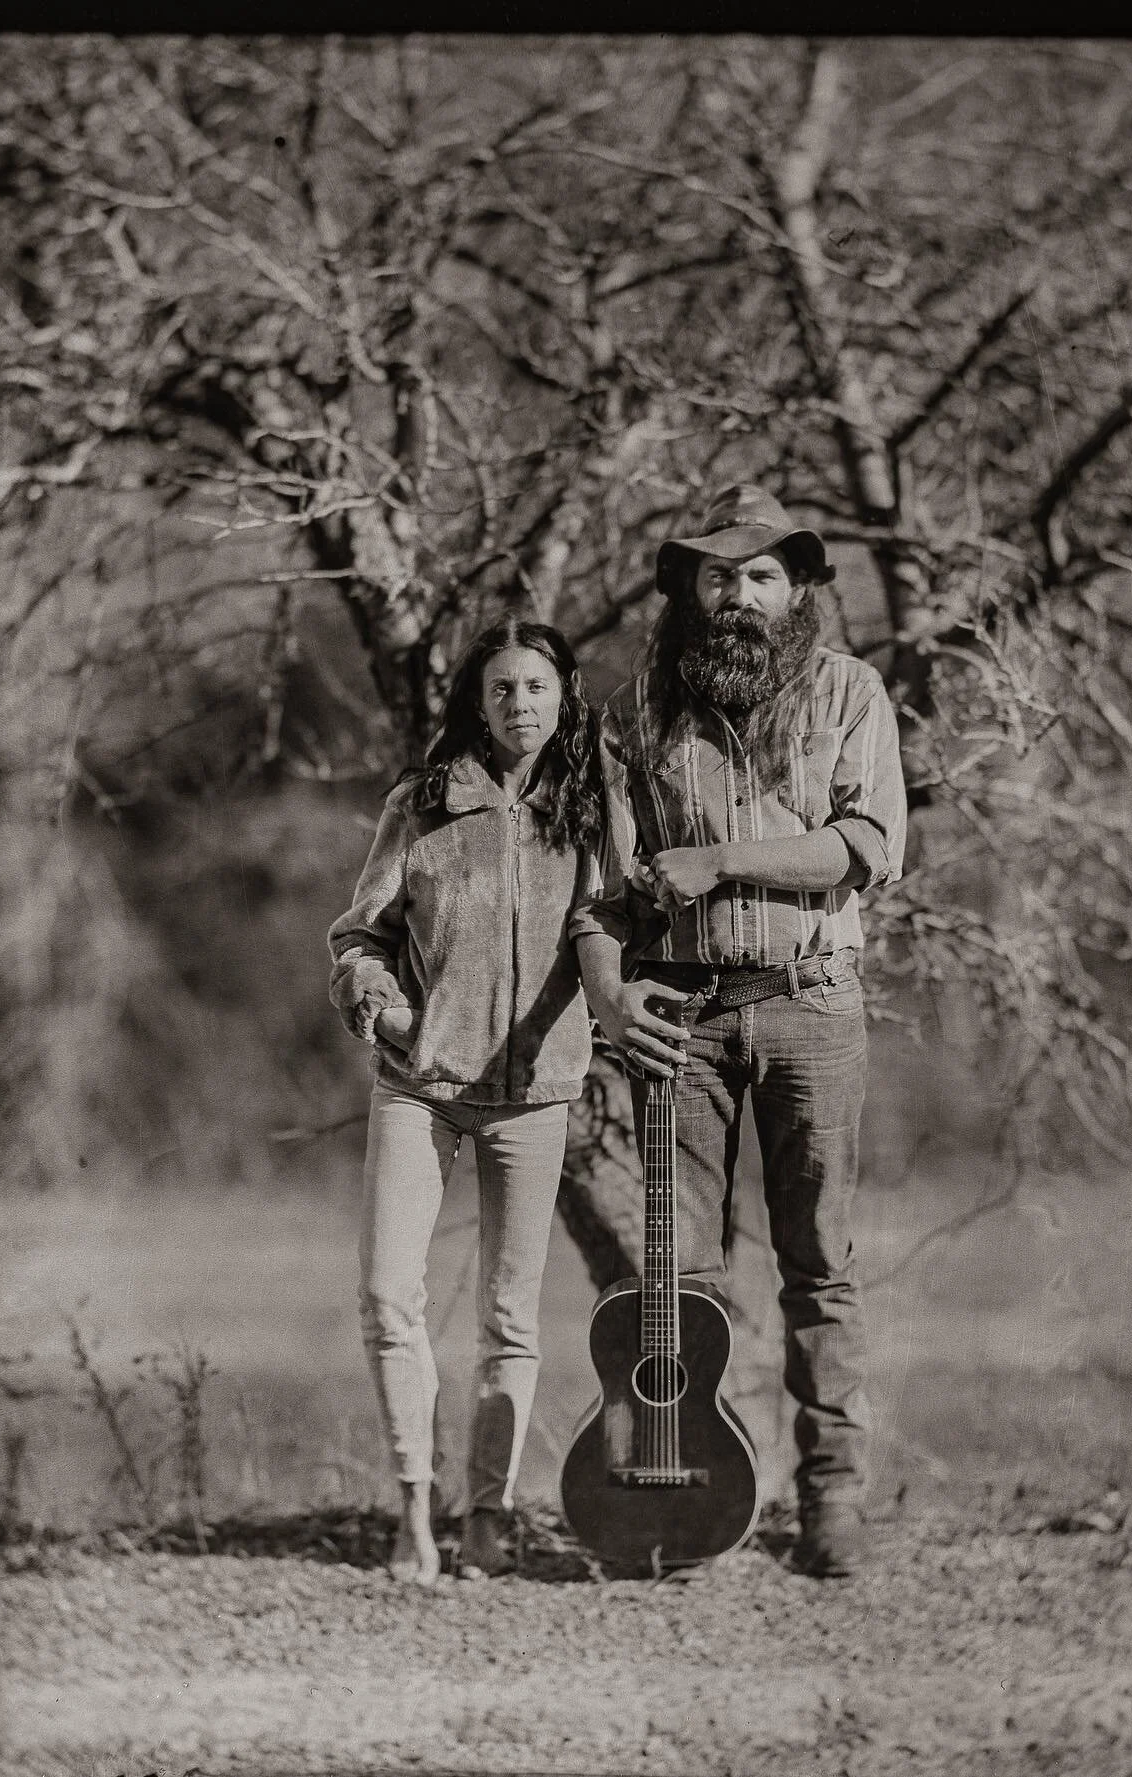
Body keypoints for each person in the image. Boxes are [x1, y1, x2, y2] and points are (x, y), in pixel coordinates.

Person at [569, 483, 907, 1578]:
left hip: (814, 1001)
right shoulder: (634, 716)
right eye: (717, 575)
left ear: (798, 590)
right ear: (686, 592)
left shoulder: (852, 691)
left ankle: (833, 1506)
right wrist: (614, 999)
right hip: (683, 1016)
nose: (737, 595)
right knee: (683, 1279)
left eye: (761, 575)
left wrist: (721, 862)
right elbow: (600, 898)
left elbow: (864, 843)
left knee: (821, 1264)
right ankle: (709, 1503)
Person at [328, 617, 604, 1585]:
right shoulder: (427, 802)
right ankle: (414, 1517)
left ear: (564, 696)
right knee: (387, 1297)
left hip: (536, 1092)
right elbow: (358, 933)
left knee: (511, 1318)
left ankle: (489, 1517)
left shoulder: (595, 807)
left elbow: (616, 934)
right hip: (423, 1088)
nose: (518, 702)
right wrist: (385, 1007)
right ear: (476, 703)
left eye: (535, 685)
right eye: (500, 688)